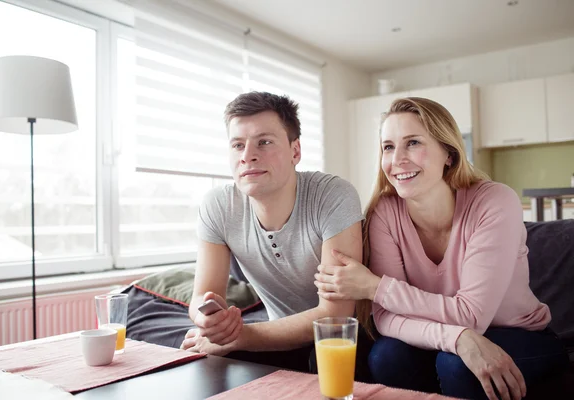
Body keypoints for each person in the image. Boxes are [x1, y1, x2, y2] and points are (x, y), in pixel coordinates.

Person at [314, 97, 569, 399]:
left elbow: (471, 316)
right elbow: (384, 317)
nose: (397, 160)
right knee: (386, 355)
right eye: (388, 147)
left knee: (456, 365)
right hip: (448, 337)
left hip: (520, 334)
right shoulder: (385, 211)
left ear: (448, 153)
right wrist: (456, 337)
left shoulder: (495, 202)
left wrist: (374, 287)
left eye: (413, 143)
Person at [180, 91, 367, 374]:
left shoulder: (332, 195)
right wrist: (209, 322)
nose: (247, 156)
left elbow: (335, 316)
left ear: (295, 151)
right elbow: (201, 297)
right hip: (277, 334)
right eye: (237, 145)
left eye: (264, 142)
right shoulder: (218, 206)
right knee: (203, 358)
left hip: (349, 335)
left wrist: (239, 336)